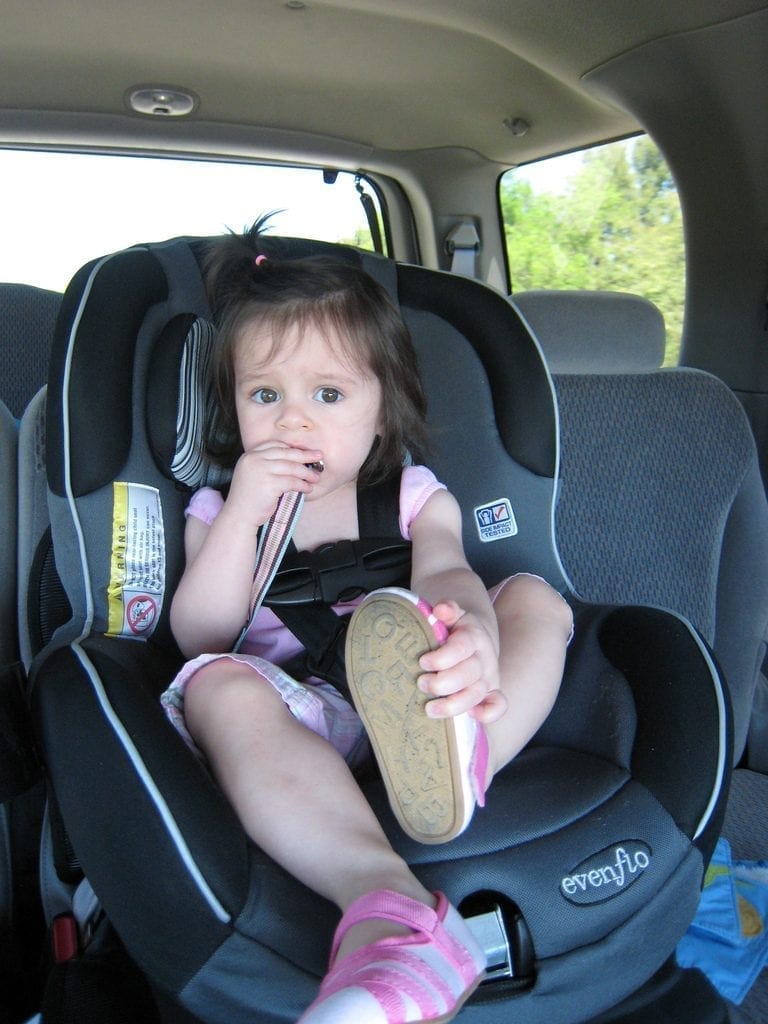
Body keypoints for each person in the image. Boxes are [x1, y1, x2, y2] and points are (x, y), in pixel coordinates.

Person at [162, 221, 573, 1024]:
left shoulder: (416, 496)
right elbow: (201, 632)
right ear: (234, 407)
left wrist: (474, 638)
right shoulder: (219, 510)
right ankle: (390, 912)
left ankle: (463, 752)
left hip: (419, 695)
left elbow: (449, 572)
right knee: (213, 685)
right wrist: (247, 508)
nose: (294, 421)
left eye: (328, 395)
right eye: (265, 395)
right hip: (298, 715)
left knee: (535, 601)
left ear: (382, 412)